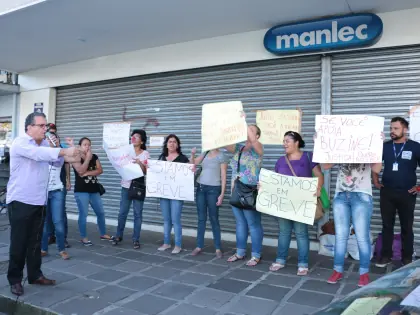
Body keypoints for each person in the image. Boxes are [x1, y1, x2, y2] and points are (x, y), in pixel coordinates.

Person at [6, 112, 80, 296]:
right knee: (19, 243)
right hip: (21, 200)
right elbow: (38, 155)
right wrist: (62, 151)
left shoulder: (46, 144)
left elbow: (55, 164)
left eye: (45, 126)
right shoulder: (21, 143)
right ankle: (15, 279)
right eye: (41, 125)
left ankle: (35, 275)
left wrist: (63, 152)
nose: (44, 129)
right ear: (29, 127)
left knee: (35, 242)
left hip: (40, 200)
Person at [268, 131, 324, 275]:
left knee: (301, 233)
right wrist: (264, 187)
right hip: (284, 203)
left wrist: (318, 188)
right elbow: (275, 181)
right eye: (283, 141)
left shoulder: (307, 157)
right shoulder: (281, 160)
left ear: (297, 142)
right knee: (284, 232)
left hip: (302, 202)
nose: (284, 144)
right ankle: (280, 260)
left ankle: (303, 264)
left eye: (287, 141)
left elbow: (319, 175)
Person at [324, 161, 382, 287]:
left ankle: (364, 274)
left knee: (362, 237)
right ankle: (337, 270)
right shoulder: (341, 143)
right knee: (340, 236)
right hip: (341, 195)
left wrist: (376, 147)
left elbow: (377, 169)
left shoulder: (367, 142)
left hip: (362, 195)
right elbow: (326, 166)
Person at [373, 117, 420, 267]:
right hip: (387, 193)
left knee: (407, 226)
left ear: (405, 129)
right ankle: (386, 256)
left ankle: (406, 258)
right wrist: (375, 180)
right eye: (391, 129)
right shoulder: (385, 146)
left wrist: (419, 187)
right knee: (387, 226)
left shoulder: (415, 147)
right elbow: (375, 163)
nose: (392, 131)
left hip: (407, 194)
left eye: (396, 129)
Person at [226, 125, 264, 267]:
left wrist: (245, 122)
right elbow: (224, 142)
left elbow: (253, 142)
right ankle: (240, 252)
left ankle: (256, 255)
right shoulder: (239, 148)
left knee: (253, 224)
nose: (247, 131)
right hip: (236, 191)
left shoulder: (258, 148)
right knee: (240, 223)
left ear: (258, 135)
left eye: (252, 130)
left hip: (250, 192)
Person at [111, 130, 149, 249]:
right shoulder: (126, 152)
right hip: (126, 186)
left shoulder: (145, 154)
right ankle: (118, 235)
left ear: (142, 141)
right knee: (122, 212)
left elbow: (146, 171)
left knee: (138, 214)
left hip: (138, 186)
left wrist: (139, 163)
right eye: (132, 136)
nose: (133, 138)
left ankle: (136, 239)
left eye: (137, 136)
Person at [72, 137, 112, 245]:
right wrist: (88, 159)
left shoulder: (94, 156)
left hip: (94, 190)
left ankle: (103, 233)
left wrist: (87, 173)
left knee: (100, 212)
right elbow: (80, 171)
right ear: (80, 146)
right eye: (85, 144)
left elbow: (100, 170)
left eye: (89, 144)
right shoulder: (76, 157)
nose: (87, 147)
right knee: (83, 214)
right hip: (81, 191)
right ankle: (83, 237)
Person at [190, 147, 228, 258]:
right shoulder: (205, 152)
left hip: (214, 189)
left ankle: (217, 248)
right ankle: (198, 246)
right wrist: (192, 154)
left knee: (214, 218)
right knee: (201, 218)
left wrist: (222, 194)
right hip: (201, 188)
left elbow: (224, 175)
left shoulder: (222, 155)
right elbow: (193, 164)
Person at [157, 134, 191, 254]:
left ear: (178, 145)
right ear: (166, 144)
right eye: (170, 141)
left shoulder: (182, 158)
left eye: (174, 142)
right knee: (166, 219)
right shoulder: (162, 157)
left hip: (177, 194)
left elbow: (189, 174)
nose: (172, 144)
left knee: (175, 219)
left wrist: (191, 169)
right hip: (164, 193)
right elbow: (157, 174)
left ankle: (178, 245)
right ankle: (166, 243)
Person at [40, 133, 70, 260]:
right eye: (48, 138)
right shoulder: (41, 153)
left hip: (57, 190)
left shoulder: (60, 154)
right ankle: (43, 248)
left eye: (54, 138)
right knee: (45, 222)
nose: (51, 140)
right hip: (43, 192)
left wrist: (58, 147)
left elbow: (58, 163)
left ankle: (61, 249)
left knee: (58, 221)